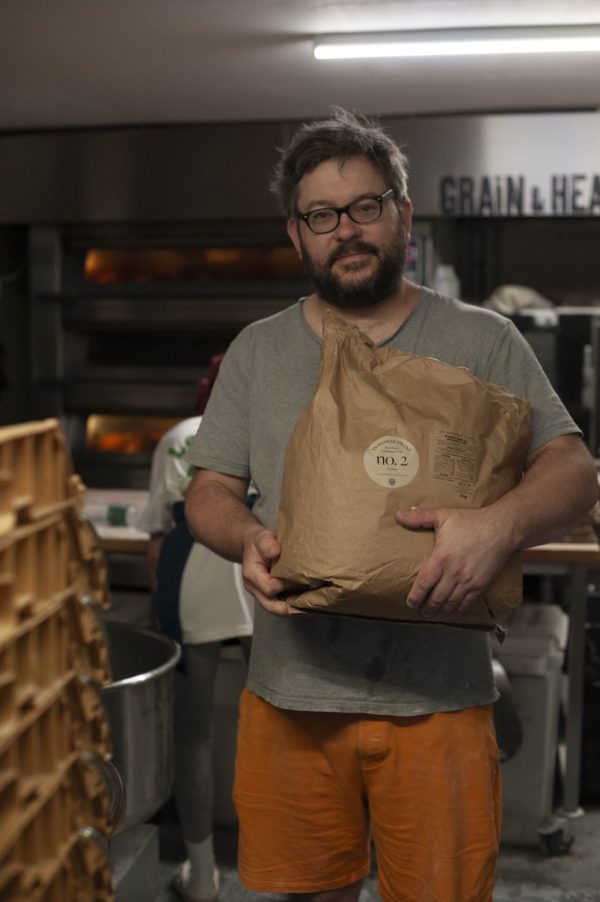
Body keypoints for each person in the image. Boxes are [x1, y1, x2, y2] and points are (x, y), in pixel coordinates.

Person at [183, 108, 598, 902]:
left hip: (439, 701)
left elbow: (575, 468)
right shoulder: (259, 351)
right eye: (323, 215)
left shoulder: (485, 341)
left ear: (403, 213)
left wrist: (499, 524)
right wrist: (244, 539)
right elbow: (210, 489)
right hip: (290, 699)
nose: (347, 229)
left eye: (367, 206)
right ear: (296, 233)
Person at [137, 356, 254, 902]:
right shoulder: (280, 427)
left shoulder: (182, 437)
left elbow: (158, 534)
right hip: (269, 583)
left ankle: (203, 875)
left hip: (191, 584)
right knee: (281, 729)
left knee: (194, 734)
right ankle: (284, 867)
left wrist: (161, 607)